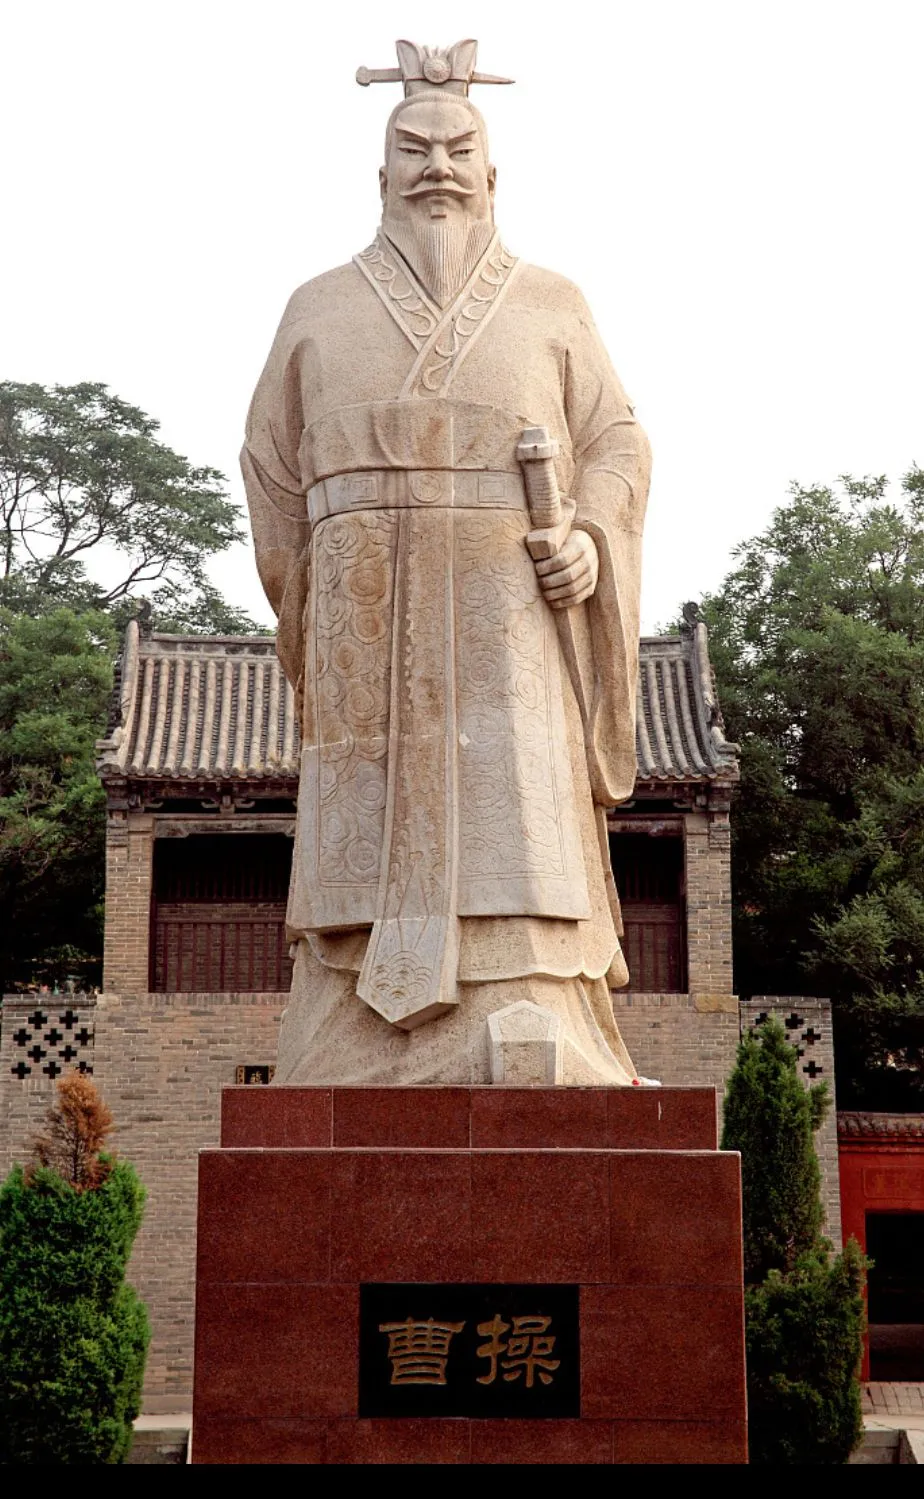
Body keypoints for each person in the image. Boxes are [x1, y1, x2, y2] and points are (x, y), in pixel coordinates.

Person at [242, 41, 651, 1084]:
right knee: (362, 826)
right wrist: (314, 599)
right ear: (380, 172)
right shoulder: (317, 306)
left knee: (518, 801)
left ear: (492, 173)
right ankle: (346, 1025)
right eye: (414, 148)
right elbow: (269, 468)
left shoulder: (552, 302)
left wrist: (588, 540)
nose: (437, 167)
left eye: (458, 149)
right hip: (364, 619)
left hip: (507, 619)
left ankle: (529, 998)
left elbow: (616, 442)